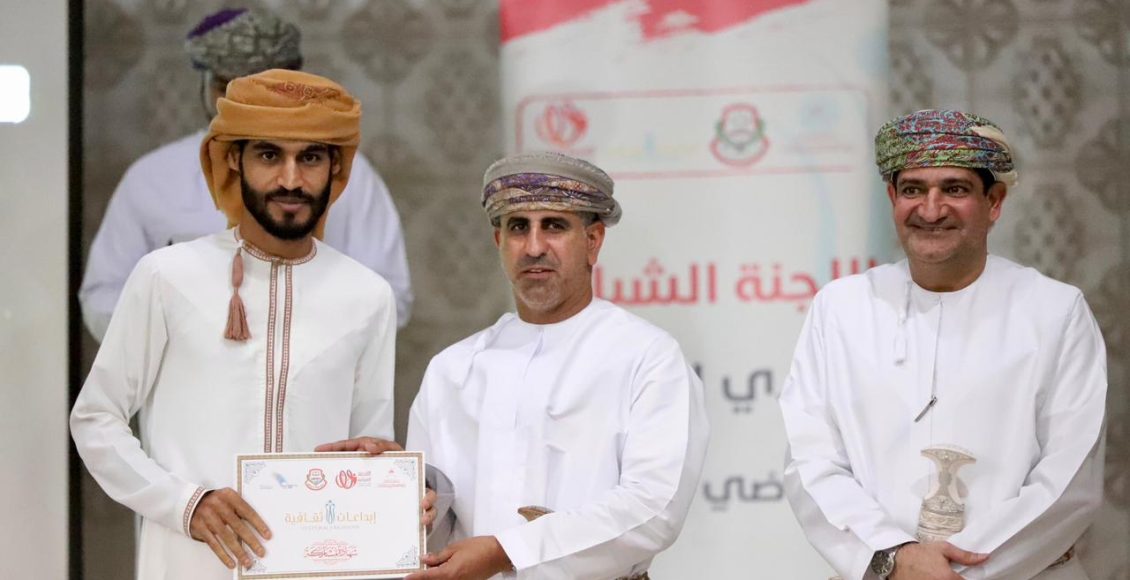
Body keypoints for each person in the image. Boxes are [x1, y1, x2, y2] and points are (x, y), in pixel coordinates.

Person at [71, 69, 415, 580]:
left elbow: (368, 445)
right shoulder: (167, 276)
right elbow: (96, 419)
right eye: (269, 156)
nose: (291, 180)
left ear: (336, 168)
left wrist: (388, 480)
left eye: (311, 158)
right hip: (189, 565)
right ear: (234, 159)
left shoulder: (368, 296)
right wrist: (185, 504)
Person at [779, 109, 1107, 579]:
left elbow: (1071, 477)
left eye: (954, 189)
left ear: (994, 201)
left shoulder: (1055, 311)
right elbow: (810, 460)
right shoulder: (841, 308)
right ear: (892, 198)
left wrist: (954, 572)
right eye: (913, 190)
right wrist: (893, 556)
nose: (931, 210)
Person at [403, 152, 710, 579]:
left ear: (593, 241)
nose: (533, 247)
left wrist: (506, 551)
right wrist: (401, 495)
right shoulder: (452, 370)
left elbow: (653, 509)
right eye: (518, 227)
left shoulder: (647, 357)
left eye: (554, 226)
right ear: (498, 242)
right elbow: (430, 521)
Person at [79, 7, 412, 341]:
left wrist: (295, 334)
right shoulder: (152, 178)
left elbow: (388, 297)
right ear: (204, 85)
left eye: (261, 91)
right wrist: (187, 336)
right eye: (227, 88)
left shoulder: (349, 176)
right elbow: (103, 296)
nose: (244, 107)